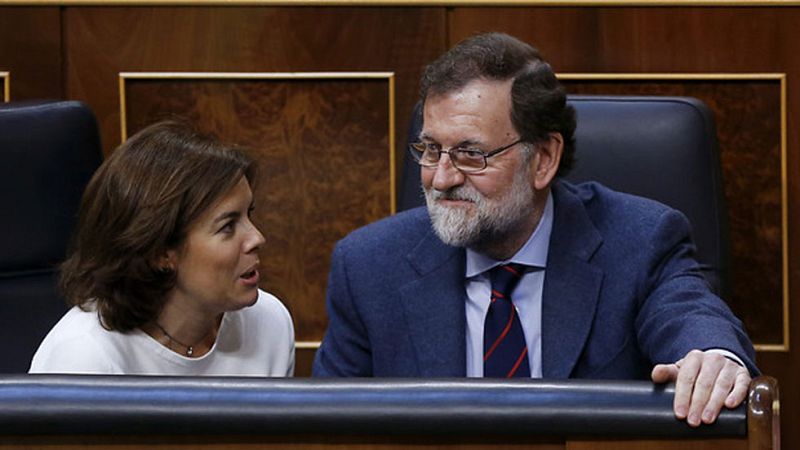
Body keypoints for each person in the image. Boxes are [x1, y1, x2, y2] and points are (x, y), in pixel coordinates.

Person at [312, 32, 757, 427]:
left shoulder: (639, 241)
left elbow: (689, 316)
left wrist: (713, 358)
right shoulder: (369, 266)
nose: (441, 178)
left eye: (470, 154)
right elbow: (327, 430)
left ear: (543, 159)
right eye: (430, 150)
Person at [30, 121, 294, 376]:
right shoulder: (83, 356)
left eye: (249, 214)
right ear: (160, 252)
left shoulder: (269, 323)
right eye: (228, 226)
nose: (257, 238)